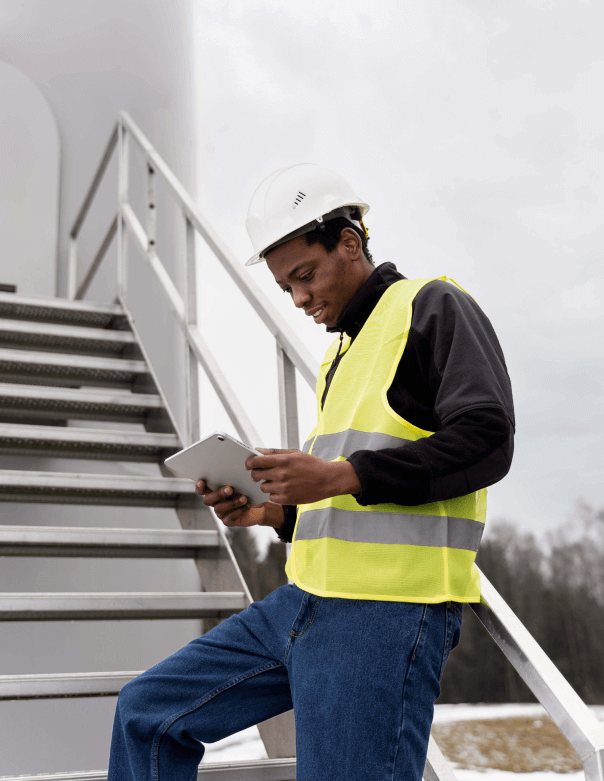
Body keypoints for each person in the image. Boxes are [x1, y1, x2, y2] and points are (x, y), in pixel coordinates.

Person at [108, 163, 514, 781]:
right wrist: (274, 511)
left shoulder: (432, 306)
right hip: (303, 601)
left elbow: (487, 441)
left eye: (305, 276)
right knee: (147, 713)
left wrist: (338, 477)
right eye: (285, 288)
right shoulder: (340, 354)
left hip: (385, 613)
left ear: (349, 242)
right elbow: (350, 499)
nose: (299, 299)